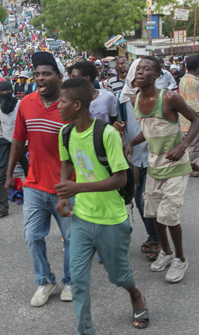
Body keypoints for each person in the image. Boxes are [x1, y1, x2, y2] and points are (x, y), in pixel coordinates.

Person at [56, 77, 149, 331]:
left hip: (111, 220)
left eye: (61, 102)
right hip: (82, 219)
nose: (57, 106)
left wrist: (78, 187)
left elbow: (120, 178)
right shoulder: (65, 133)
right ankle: (85, 330)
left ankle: (135, 294)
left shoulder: (106, 133)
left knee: (118, 276)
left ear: (77, 104)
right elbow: (66, 163)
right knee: (77, 279)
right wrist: (65, 194)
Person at [126, 56, 199, 283]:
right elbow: (150, 129)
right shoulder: (135, 101)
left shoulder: (169, 97)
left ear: (157, 75)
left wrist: (182, 146)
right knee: (154, 214)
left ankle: (180, 258)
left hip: (176, 166)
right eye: (138, 68)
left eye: (147, 69)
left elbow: (198, 120)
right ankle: (167, 252)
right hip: (154, 167)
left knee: (168, 215)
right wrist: (132, 142)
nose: (140, 72)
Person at [5, 52, 72, 307]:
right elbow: (18, 141)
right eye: (37, 74)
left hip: (66, 186)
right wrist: (10, 173)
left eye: (46, 74)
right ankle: (45, 281)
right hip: (34, 184)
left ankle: (71, 281)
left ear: (59, 77)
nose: (40, 78)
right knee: (32, 236)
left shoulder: (71, 105)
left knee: (72, 239)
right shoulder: (26, 103)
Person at [114, 59, 160, 261]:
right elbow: (117, 122)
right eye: (133, 80)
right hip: (134, 156)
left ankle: (157, 239)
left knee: (146, 201)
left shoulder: (157, 97)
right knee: (140, 200)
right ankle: (155, 236)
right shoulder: (122, 99)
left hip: (155, 155)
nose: (136, 84)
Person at [0, 81, 29, 217]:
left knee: (29, 172)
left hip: (24, 144)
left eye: (7, 91)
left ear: (12, 91)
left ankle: (33, 200)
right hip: (7, 143)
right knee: (3, 174)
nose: (4, 94)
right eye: (1, 93)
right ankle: (2, 206)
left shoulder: (21, 104)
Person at [178, 55, 199, 177]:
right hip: (192, 121)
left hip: (193, 120)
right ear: (198, 67)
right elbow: (193, 106)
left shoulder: (189, 79)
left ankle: (193, 163)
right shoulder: (190, 82)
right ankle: (188, 167)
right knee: (191, 144)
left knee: (196, 143)